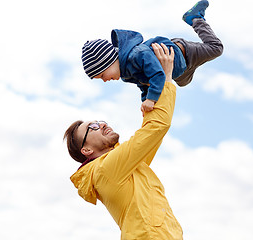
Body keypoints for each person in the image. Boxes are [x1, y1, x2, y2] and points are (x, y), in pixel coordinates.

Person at [64, 43, 183, 239]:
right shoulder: (105, 170)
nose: (101, 125)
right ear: (86, 150)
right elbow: (155, 129)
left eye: (98, 121)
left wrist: (150, 92)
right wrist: (166, 79)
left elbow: (151, 132)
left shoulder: (127, 167)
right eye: (92, 127)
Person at [81, 0, 223, 114]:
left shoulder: (137, 55)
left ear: (110, 61)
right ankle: (194, 63)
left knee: (216, 48)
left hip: (184, 53)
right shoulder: (126, 75)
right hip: (180, 70)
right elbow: (144, 86)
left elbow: (157, 75)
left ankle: (196, 18)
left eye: (102, 75)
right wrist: (146, 103)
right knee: (184, 82)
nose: (104, 80)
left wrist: (151, 99)